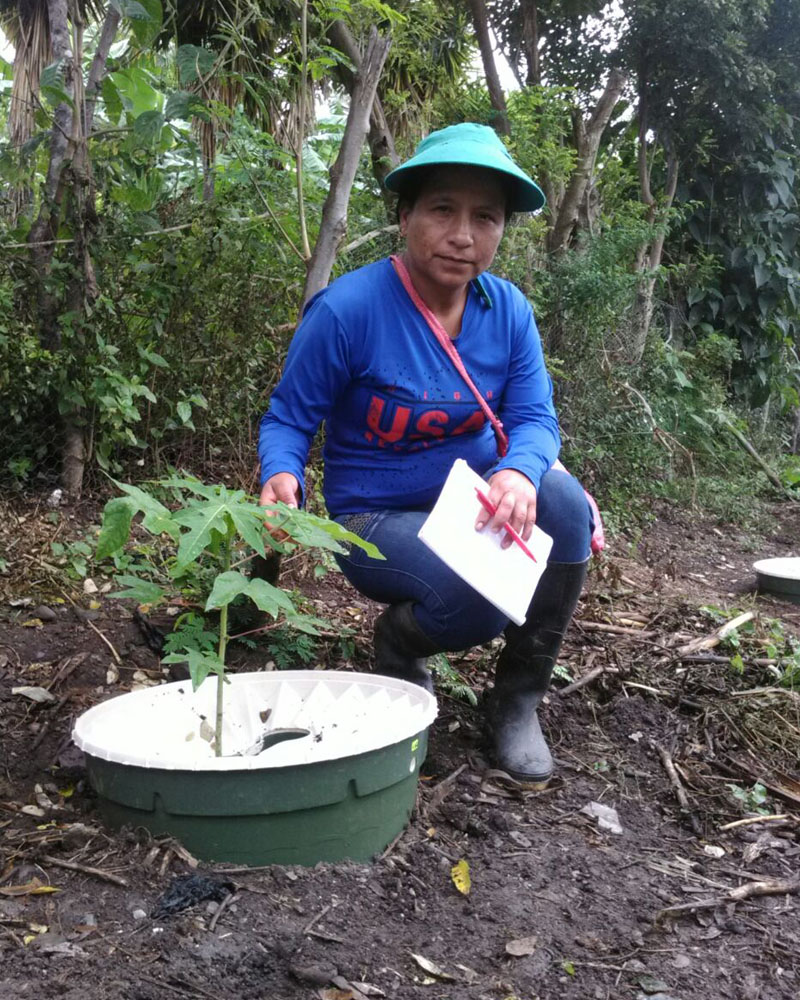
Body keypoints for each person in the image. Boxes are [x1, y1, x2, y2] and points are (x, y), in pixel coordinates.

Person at [258, 123, 596, 787]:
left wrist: (518, 472)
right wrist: (281, 476)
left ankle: (518, 698)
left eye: (485, 217)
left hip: (467, 504)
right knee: (482, 588)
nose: (463, 234)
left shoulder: (509, 313)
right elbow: (289, 418)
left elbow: (533, 417)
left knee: (564, 505)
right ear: (405, 215)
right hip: (373, 517)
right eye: (443, 209)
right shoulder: (348, 311)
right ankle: (402, 643)